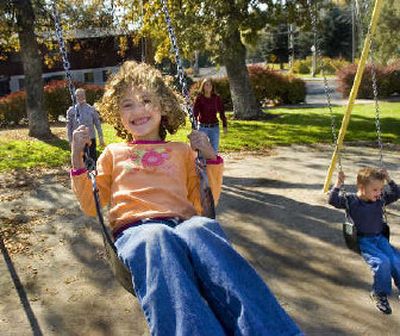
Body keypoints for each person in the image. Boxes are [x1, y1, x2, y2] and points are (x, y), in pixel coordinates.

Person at [69, 61, 302, 336]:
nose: (138, 110)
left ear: (164, 105)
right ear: (117, 114)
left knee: (202, 228)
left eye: (146, 100)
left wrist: (210, 158)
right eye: (127, 104)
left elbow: (204, 202)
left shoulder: (181, 150)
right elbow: (90, 203)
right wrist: (76, 159)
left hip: (183, 223)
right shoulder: (113, 153)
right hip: (138, 231)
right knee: (157, 237)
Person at [328, 167, 400, 315]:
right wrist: (338, 183)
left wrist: (389, 179)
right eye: (375, 190)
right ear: (361, 187)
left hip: (379, 237)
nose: (379, 193)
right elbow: (332, 200)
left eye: (381, 189)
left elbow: (397, 193)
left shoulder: (380, 200)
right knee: (382, 262)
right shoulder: (351, 200)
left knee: (395, 259)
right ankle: (379, 294)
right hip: (363, 240)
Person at [66, 87, 105, 163]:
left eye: (82, 95)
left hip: (90, 138)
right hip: (77, 140)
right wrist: (70, 140)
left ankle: (93, 172)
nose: (80, 97)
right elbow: (69, 127)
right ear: (75, 97)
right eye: (78, 95)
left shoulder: (91, 109)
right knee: (80, 160)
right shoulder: (71, 111)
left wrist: (101, 138)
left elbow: (98, 124)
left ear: (85, 96)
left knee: (92, 159)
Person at [193, 78, 227, 153]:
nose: (208, 87)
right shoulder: (199, 98)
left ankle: (213, 164)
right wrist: (194, 126)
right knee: (201, 151)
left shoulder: (216, 98)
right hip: (202, 127)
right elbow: (195, 113)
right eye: (206, 85)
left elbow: (221, 112)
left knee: (214, 151)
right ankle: (201, 164)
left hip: (214, 128)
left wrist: (224, 125)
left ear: (212, 87)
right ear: (203, 86)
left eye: (210, 85)